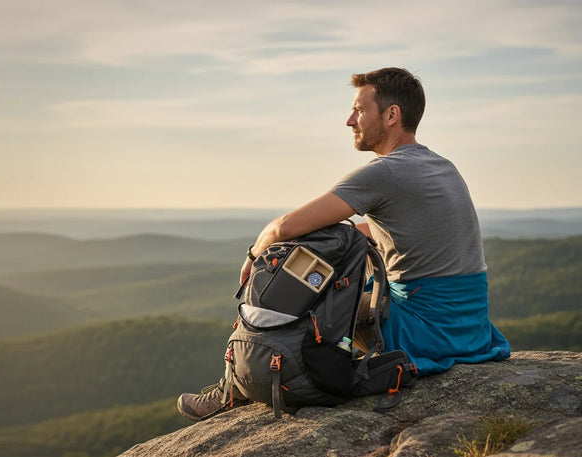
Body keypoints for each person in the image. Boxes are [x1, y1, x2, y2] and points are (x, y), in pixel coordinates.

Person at [177, 67, 510, 422]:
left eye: (359, 109)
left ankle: (240, 382)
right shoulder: (441, 166)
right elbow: (388, 233)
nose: (350, 120)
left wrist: (253, 257)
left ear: (391, 114)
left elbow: (282, 228)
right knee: (336, 240)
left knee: (300, 250)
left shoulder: (386, 172)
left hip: (424, 332)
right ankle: (244, 376)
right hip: (469, 329)